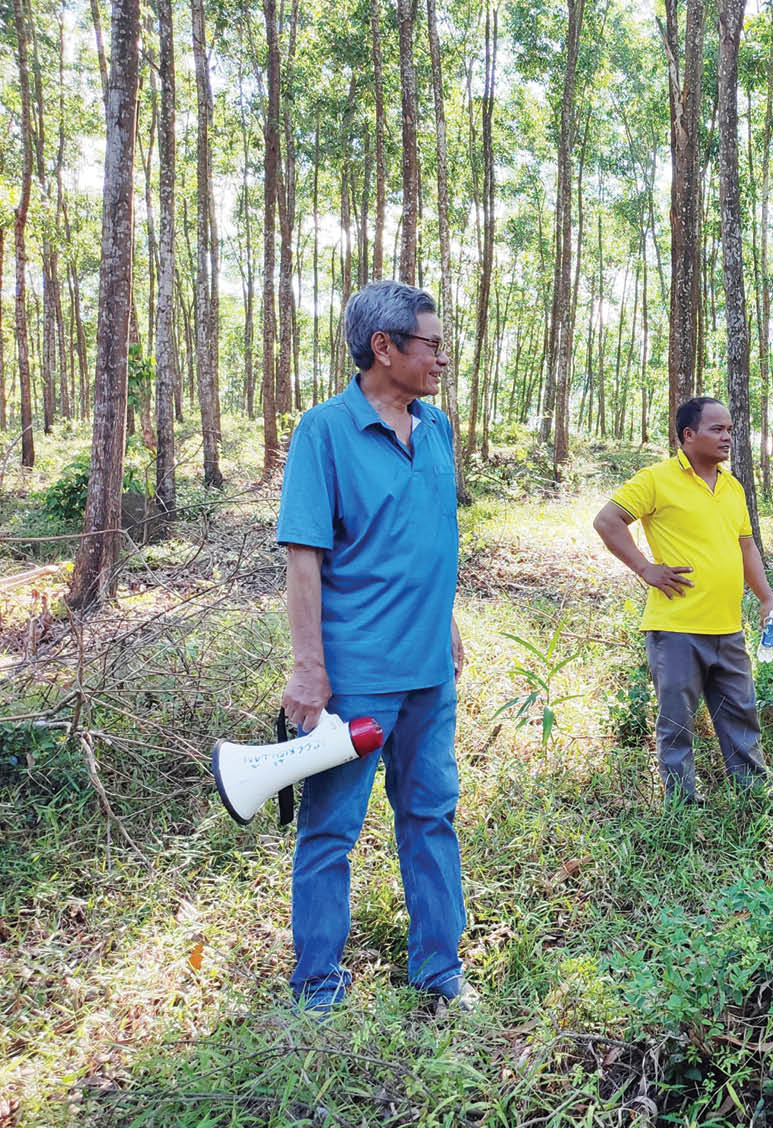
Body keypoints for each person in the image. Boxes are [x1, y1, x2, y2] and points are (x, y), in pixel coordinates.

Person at [276, 279, 474, 1015]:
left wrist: (445, 618)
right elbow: (304, 557)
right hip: (356, 678)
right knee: (331, 829)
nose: (441, 358)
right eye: (431, 344)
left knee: (431, 814)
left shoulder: (439, 429)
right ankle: (318, 984)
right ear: (383, 347)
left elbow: (430, 538)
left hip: (428, 675)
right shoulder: (323, 431)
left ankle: (440, 971)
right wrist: (308, 670)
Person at [593, 397, 773, 806]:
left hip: (727, 627)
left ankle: (753, 792)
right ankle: (681, 805)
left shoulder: (732, 487)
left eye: (731, 430)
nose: (728, 437)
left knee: (741, 713)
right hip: (676, 628)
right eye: (717, 429)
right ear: (688, 435)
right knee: (676, 723)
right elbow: (607, 521)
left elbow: (747, 548)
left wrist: (767, 601)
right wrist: (646, 569)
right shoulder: (656, 479)